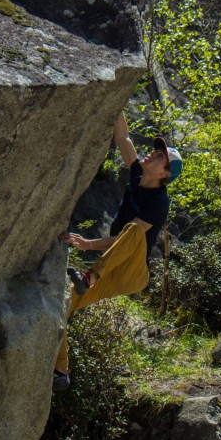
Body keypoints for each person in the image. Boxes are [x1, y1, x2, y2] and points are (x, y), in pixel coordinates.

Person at [53, 111, 183, 391]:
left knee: (133, 231)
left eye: (161, 157)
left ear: (165, 175)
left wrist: (87, 244)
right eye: (157, 150)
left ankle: (89, 278)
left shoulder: (159, 202)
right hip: (112, 271)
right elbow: (122, 135)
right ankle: (61, 370)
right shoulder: (138, 173)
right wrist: (119, 88)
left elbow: (121, 239)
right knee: (63, 301)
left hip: (133, 273)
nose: (154, 154)